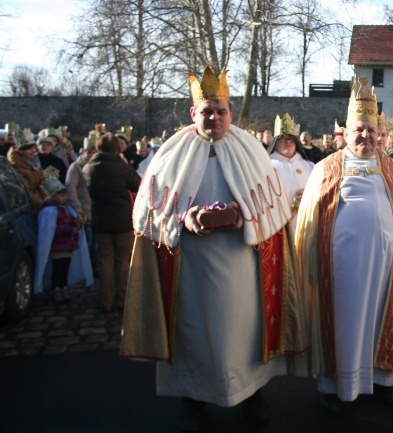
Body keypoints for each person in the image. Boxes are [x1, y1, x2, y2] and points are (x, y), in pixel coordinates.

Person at [119, 66, 308, 432]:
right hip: (190, 266)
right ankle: (193, 402)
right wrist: (182, 218)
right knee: (193, 333)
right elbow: (148, 212)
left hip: (241, 264)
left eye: (221, 110)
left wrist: (245, 216)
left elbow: (273, 209)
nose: (214, 117)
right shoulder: (171, 153)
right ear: (194, 113)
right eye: (207, 111)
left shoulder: (251, 149)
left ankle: (253, 396)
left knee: (244, 331)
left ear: (230, 112)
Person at [294, 76, 393, 412]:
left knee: (384, 319)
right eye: (359, 130)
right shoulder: (326, 167)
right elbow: (310, 220)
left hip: (386, 266)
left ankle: (382, 381)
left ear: (378, 133)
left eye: (371, 130)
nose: (366, 136)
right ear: (347, 133)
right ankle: (334, 386)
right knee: (345, 324)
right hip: (341, 268)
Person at [84, 133, 141, 313]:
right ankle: (122, 299)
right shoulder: (121, 166)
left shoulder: (89, 167)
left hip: (101, 218)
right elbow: (137, 184)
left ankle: (106, 300)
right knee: (123, 260)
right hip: (122, 219)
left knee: (105, 260)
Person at [34, 176, 93, 302]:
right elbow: (51, 229)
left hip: (68, 245)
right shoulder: (49, 211)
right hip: (57, 246)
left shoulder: (66, 209)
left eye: (64, 196)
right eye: (61, 196)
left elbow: (74, 220)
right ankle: (57, 289)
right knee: (57, 269)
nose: (64, 198)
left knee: (65, 268)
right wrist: (69, 229)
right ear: (53, 196)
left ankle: (63, 286)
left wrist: (78, 223)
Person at [267, 113, 314, 235]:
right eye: (283, 138)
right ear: (275, 142)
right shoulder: (266, 166)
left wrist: (310, 196)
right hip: (276, 225)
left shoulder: (309, 166)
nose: (288, 142)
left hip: (305, 224)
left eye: (291, 139)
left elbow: (320, 194)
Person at [66, 139, 98, 274]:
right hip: (84, 209)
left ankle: (95, 266)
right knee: (88, 242)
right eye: (88, 152)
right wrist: (76, 205)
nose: (91, 155)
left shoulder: (97, 165)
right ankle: (89, 268)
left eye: (93, 152)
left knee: (97, 243)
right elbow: (70, 186)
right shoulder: (75, 167)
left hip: (97, 210)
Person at [7, 138, 48, 211]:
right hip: (26, 205)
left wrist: (47, 199)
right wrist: (41, 203)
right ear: (21, 151)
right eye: (29, 149)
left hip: (40, 200)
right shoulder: (17, 166)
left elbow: (43, 182)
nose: (33, 151)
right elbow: (26, 191)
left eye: (34, 148)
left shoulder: (35, 162)